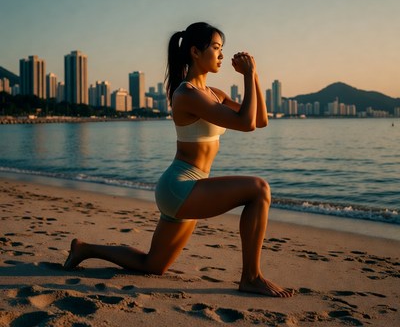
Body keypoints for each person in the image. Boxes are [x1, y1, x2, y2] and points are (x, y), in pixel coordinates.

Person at [64, 22, 294, 297]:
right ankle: (251, 277)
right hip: (181, 186)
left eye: (222, 49)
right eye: (217, 48)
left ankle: (84, 249)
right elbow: (245, 124)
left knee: (153, 264)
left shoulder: (214, 94)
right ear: (196, 52)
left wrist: (254, 76)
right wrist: (248, 73)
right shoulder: (186, 94)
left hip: (186, 188)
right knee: (259, 190)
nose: (221, 55)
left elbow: (260, 120)